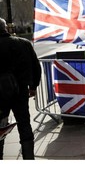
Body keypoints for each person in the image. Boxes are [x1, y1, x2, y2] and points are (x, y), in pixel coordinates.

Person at [0, 17, 42, 160]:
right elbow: (36, 66)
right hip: (20, 92)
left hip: (0, 94)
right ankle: (28, 159)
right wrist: (33, 86)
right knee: (24, 125)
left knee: (0, 127)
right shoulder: (23, 43)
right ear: (5, 28)